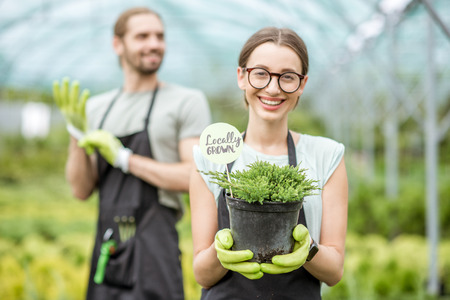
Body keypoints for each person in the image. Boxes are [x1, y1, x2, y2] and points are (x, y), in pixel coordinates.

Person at [53, 7, 211, 300]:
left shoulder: (185, 101)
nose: (154, 44)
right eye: (142, 36)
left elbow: (196, 174)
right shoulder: (96, 108)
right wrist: (76, 136)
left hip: (156, 245)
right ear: (118, 44)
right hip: (108, 242)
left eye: (160, 36)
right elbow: (80, 189)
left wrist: (126, 159)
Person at [189, 27, 348, 299]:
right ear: (241, 76)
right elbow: (202, 275)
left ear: (302, 84)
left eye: (287, 77)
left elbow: (334, 273)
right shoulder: (211, 156)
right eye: (261, 73)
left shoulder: (326, 155)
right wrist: (221, 252)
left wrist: (307, 249)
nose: (273, 88)